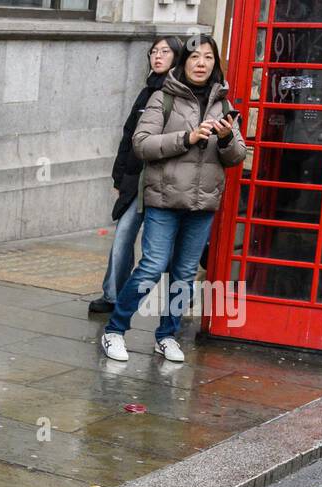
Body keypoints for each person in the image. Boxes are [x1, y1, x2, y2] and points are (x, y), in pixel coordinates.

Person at [100, 34, 245, 364]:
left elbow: (238, 155)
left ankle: (166, 336)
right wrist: (187, 137)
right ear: (184, 63)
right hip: (164, 199)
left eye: (208, 58)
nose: (201, 63)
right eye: (195, 57)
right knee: (151, 267)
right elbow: (143, 143)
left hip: (202, 203)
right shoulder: (164, 97)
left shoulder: (223, 104)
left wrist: (225, 139)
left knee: (184, 275)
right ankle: (115, 330)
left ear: (215, 64)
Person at [88, 36, 183, 315]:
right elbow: (129, 136)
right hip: (137, 180)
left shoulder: (181, 94)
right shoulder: (146, 91)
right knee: (123, 237)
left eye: (165, 52)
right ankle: (112, 295)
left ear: (177, 57)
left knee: (167, 247)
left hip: (167, 181)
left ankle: (176, 299)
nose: (157, 56)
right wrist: (119, 176)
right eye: (154, 51)